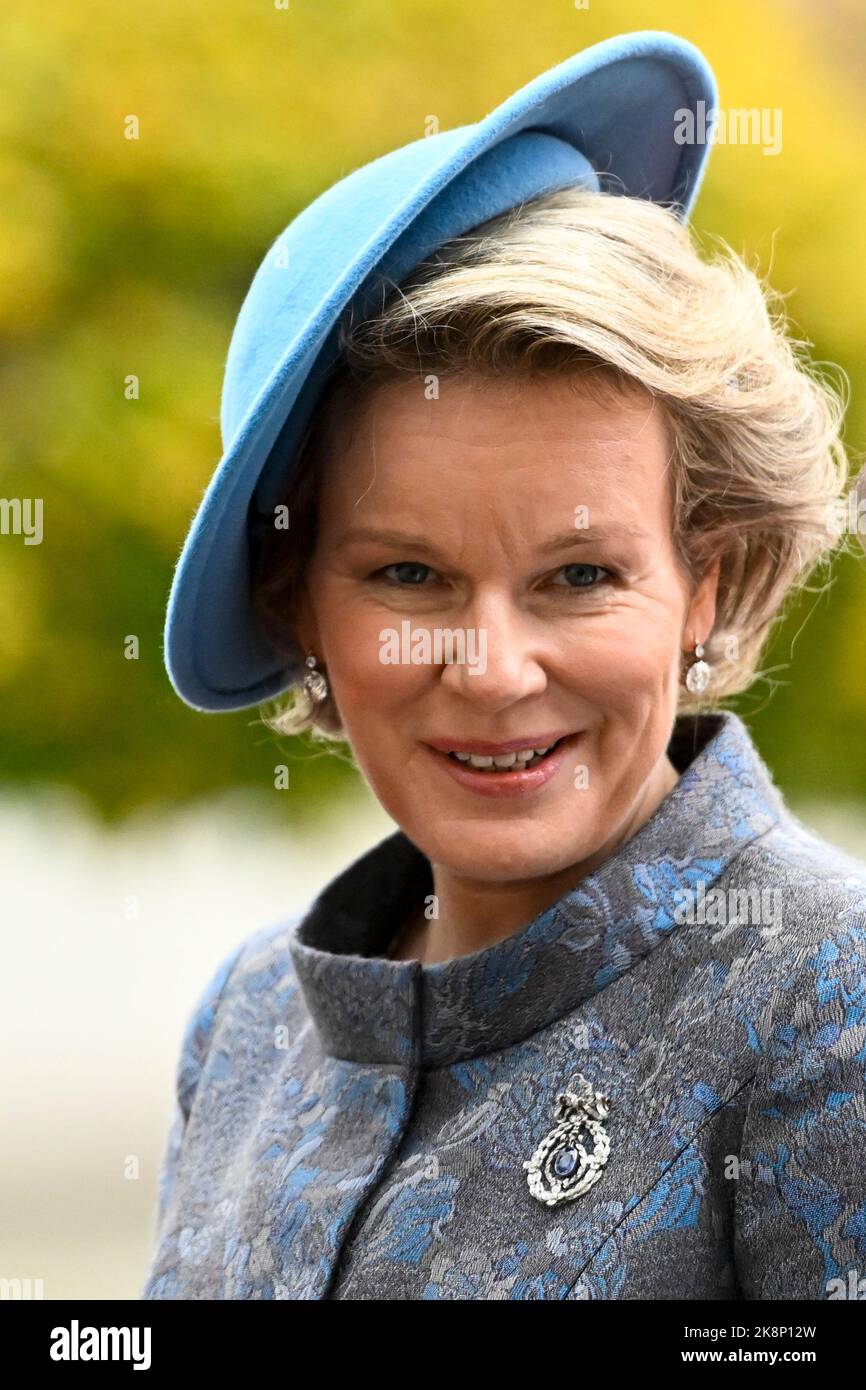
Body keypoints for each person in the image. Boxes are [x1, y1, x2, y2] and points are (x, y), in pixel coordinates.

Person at [143, 32, 866, 1300]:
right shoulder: (251, 1022)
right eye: (407, 575)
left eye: (578, 576)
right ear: (294, 598)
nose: (488, 671)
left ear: (702, 573)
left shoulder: (829, 1009)